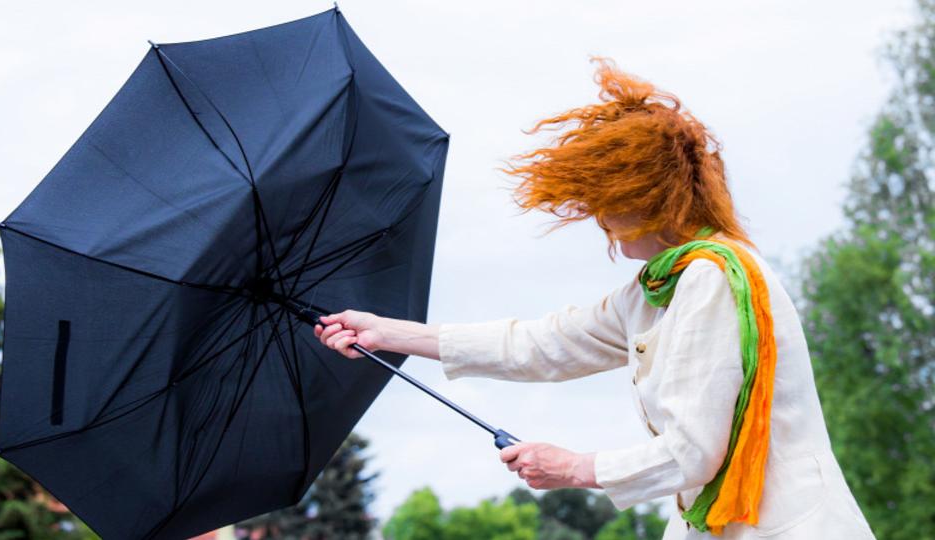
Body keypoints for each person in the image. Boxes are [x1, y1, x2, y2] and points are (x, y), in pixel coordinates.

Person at [312, 58, 875, 539]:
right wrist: (390, 333)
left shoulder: (710, 279)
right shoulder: (659, 288)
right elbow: (541, 344)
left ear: (648, 195)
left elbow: (693, 452)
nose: (599, 218)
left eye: (605, 198)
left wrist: (575, 468)